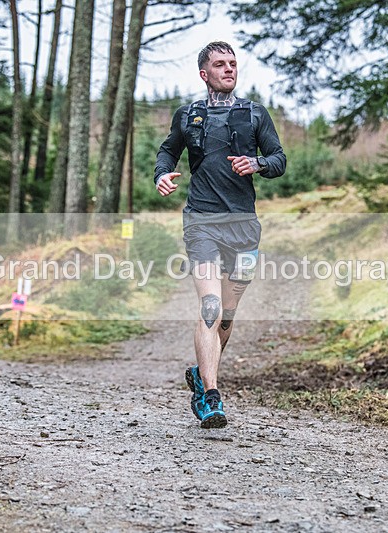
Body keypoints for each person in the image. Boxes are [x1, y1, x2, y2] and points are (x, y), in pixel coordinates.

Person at [154, 41, 286, 428]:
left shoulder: (254, 114)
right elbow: (167, 152)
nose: (229, 69)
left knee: (226, 317)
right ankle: (210, 396)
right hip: (202, 222)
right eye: (219, 64)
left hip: (244, 226)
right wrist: (163, 174)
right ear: (204, 73)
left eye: (232, 64)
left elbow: (279, 159)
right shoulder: (188, 115)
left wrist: (258, 163)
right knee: (210, 308)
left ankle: (200, 372)